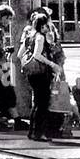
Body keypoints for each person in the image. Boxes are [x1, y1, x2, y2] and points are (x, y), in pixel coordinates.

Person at [21, 10, 58, 142]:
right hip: (41, 73)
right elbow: (37, 55)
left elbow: (20, 54)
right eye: (45, 25)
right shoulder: (40, 37)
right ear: (42, 26)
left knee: (37, 102)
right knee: (42, 103)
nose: (47, 28)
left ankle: (32, 131)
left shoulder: (29, 36)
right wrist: (52, 64)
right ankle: (39, 132)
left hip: (32, 74)